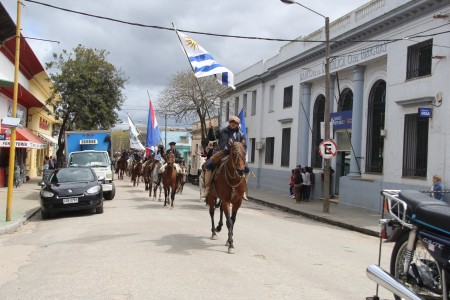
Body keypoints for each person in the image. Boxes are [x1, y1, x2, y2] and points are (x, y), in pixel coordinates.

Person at [202, 116, 249, 199]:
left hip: (235, 155)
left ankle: (243, 190)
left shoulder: (240, 134)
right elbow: (211, 137)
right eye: (232, 122)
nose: (233, 124)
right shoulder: (221, 131)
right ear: (229, 122)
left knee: (247, 169)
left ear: (238, 124)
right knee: (209, 165)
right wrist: (211, 128)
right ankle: (208, 187)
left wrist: (241, 151)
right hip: (221, 152)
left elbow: (244, 147)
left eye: (235, 123)